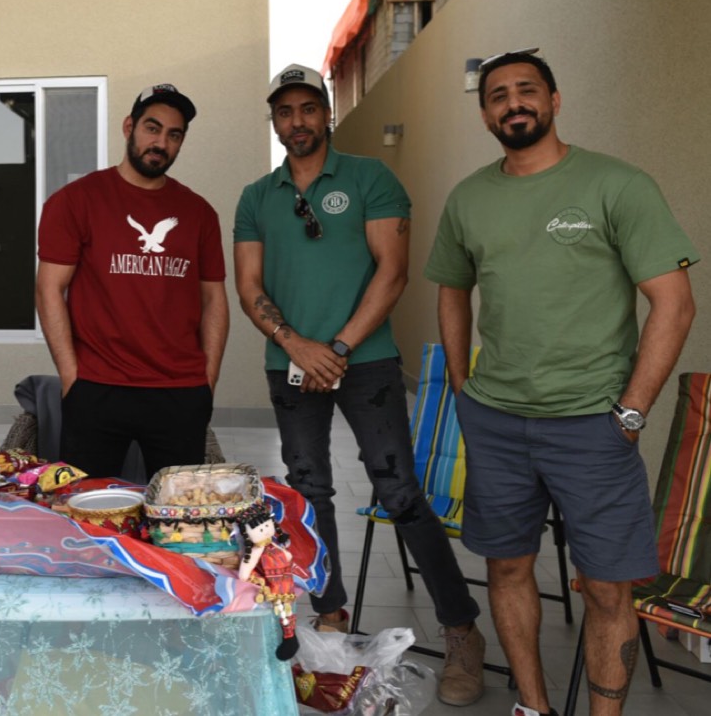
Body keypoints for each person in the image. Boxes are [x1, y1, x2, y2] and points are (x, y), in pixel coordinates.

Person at [426, 49, 699, 716]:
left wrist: (631, 411)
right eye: (497, 95)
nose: (513, 103)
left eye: (527, 89)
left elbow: (674, 303)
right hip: (496, 422)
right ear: (485, 113)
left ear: (554, 100)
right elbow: (452, 289)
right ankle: (533, 706)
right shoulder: (469, 198)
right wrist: (461, 385)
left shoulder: (617, 185)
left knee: (606, 588)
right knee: (506, 567)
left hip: (592, 425)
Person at [234, 63, 485, 707]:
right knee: (308, 491)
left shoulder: (371, 177)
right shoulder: (257, 196)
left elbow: (392, 272)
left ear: (326, 114)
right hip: (290, 364)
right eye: (284, 111)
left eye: (307, 108)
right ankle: (331, 614)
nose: (297, 121)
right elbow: (249, 286)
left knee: (399, 492)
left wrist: (338, 348)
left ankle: (461, 629)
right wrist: (297, 344)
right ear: (274, 121)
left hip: (365, 363)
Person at [36, 84, 229, 481]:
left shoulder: (199, 213)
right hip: (98, 386)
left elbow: (214, 299)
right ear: (129, 127)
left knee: (179, 510)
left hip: (180, 389)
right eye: (152, 129)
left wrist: (207, 381)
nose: (161, 143)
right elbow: (49, 289)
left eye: (174, 135)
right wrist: (72, 377)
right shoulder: (76, 200)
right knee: (86, 507)